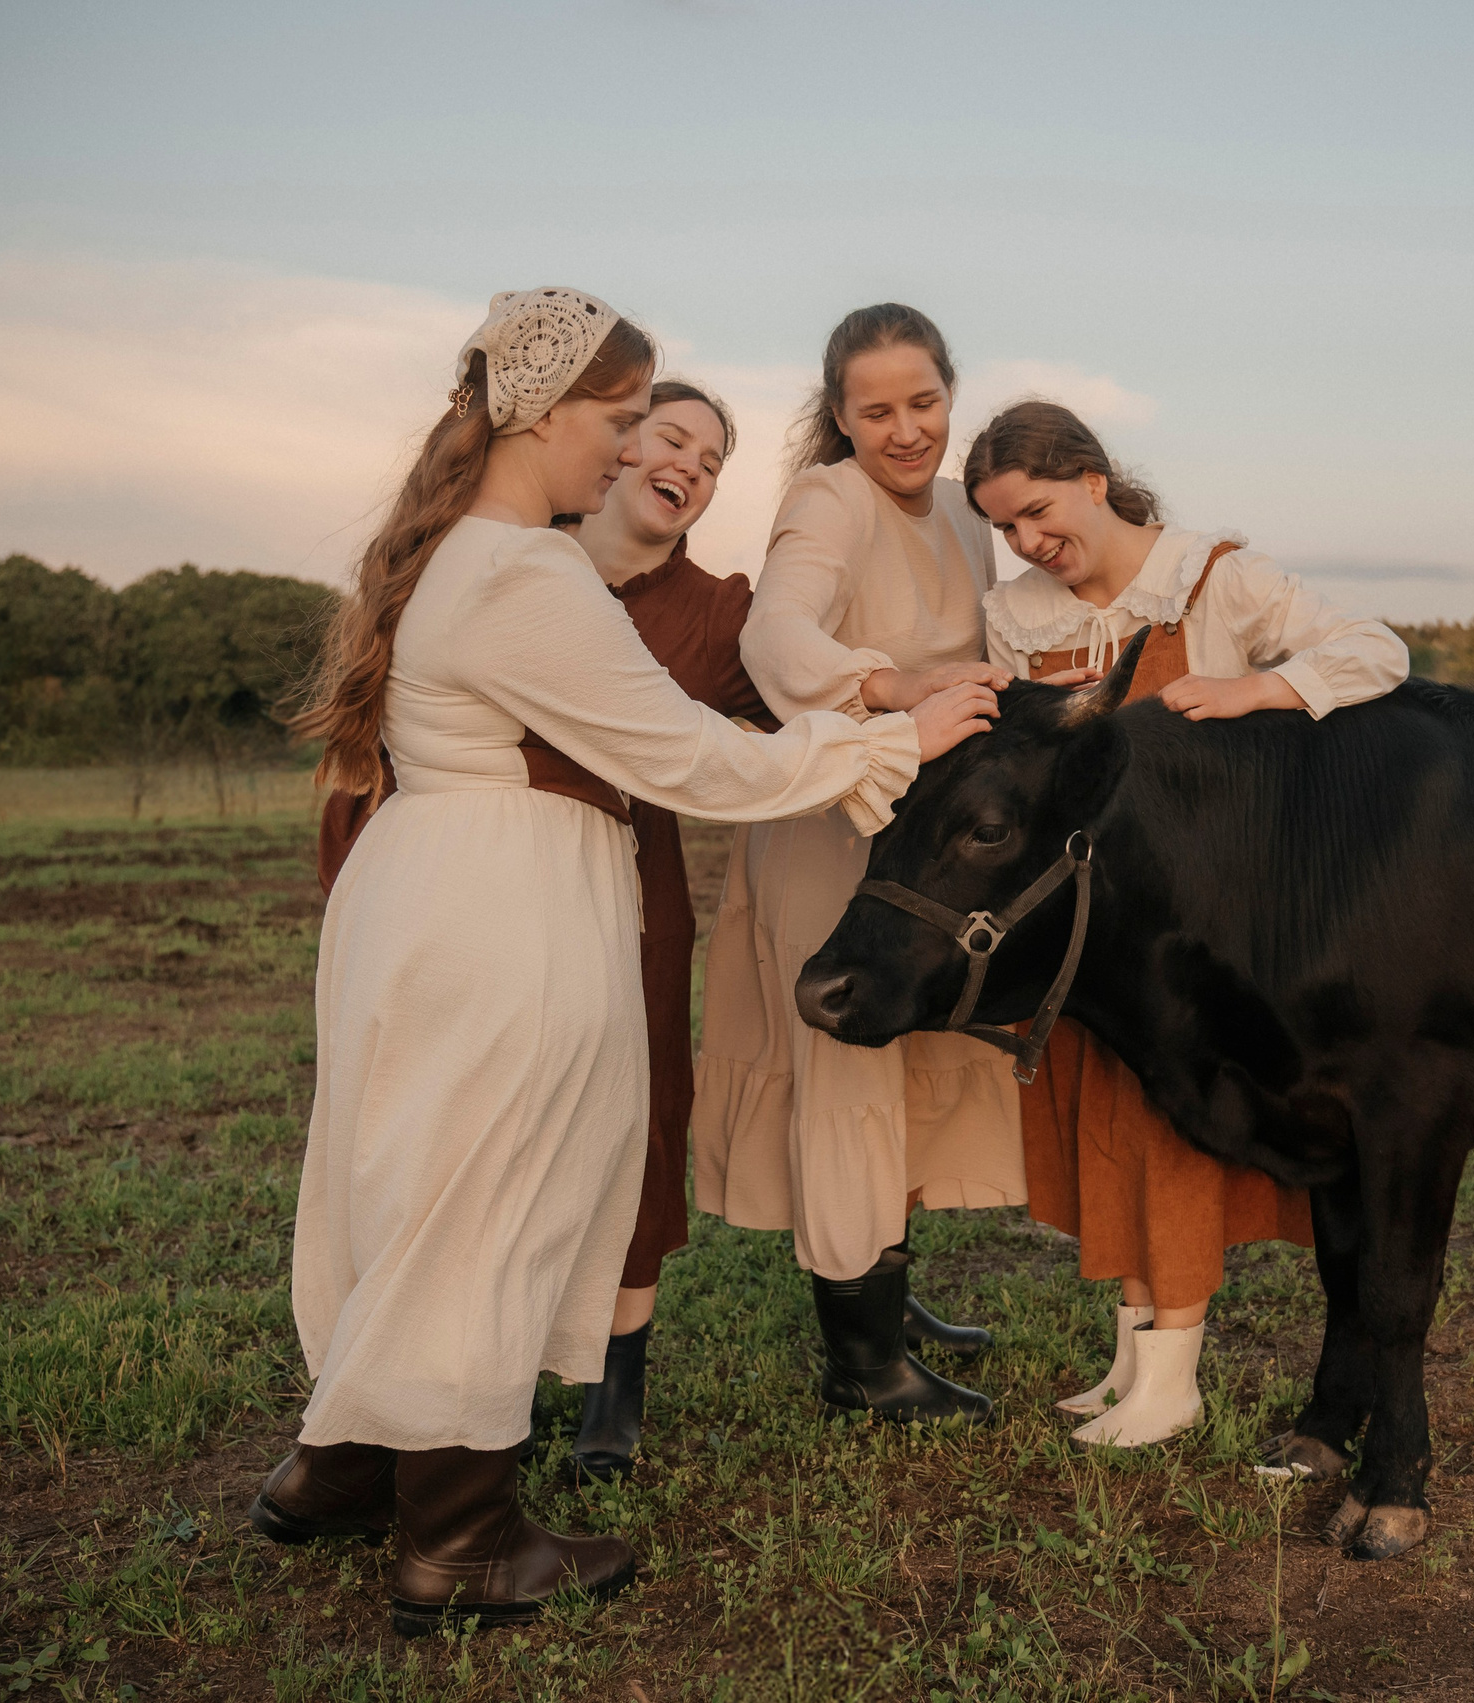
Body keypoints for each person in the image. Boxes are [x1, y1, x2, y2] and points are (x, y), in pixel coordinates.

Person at [254, 288, 997, 1637]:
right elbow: (691, 756)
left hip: (440, 888)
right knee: (483, 1188)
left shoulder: (459, 557)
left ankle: (345, 1464)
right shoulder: (524, 572)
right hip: (501, 905)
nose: (624, 448)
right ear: (540, 413)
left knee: (415, 1178)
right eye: (615, 418)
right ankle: (461, 1536)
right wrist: (899, 741)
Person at [308, 377, 771, 1490]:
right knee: (463, 1155)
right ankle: (419, 1472)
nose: (685, 467)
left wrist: (889, 702)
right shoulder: (523, 566)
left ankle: (606, 1386)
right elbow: (371, 758)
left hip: (619, 889)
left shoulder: (715, 608)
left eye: (713, 464)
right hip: (489, 897)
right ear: (608, 447)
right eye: (660, 434)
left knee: (630, 1120)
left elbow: (789, 693)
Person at [962, 400, 1409, 1447]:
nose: (1029, 543)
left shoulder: (1212, 577)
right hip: (1082, 923)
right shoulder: (1018, 612)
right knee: (1098, 1126)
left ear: (1088, 477)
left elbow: (1375, 651)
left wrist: (1261, 687)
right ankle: (1130, 1354)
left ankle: (1177, 1373)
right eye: (1006, 528)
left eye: (1035, 512)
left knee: (1167, 1130)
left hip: (1200, 924)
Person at [691, 304, 1022, 1424]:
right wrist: (893, 688)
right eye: (874, 410)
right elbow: (773, 636)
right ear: (837, 416)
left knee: (902, 1068)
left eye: (922, 402)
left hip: (923, 843)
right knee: (846, 1076)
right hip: (833, 827)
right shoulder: (828, 499)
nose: (904, 430)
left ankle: (887, 1291)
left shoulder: (966, 517)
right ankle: (862, 1366)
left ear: (950, 393)